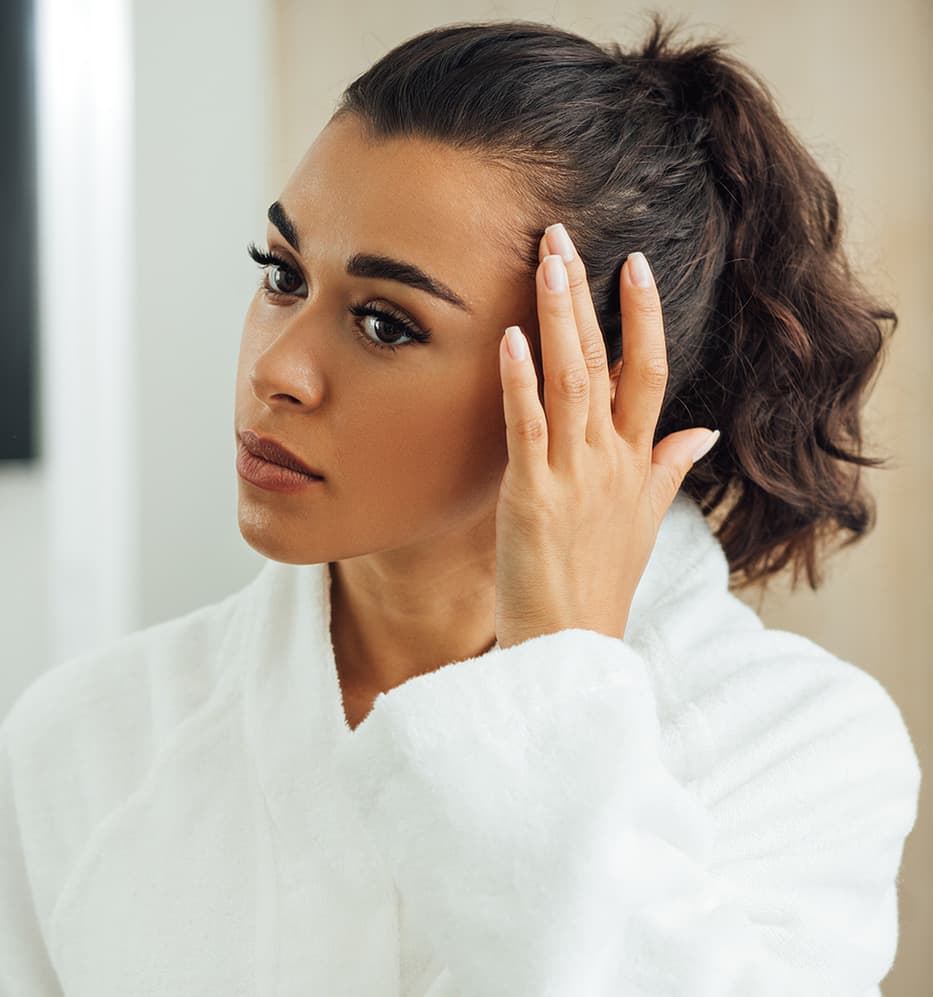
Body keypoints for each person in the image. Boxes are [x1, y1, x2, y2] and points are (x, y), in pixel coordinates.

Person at [0, 12, 922, 996]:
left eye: (385, 324)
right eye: (282, 275)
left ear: (594, 385)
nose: (278, 369)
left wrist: (557, 676)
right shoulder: (85, 741)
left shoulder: (802, 749)